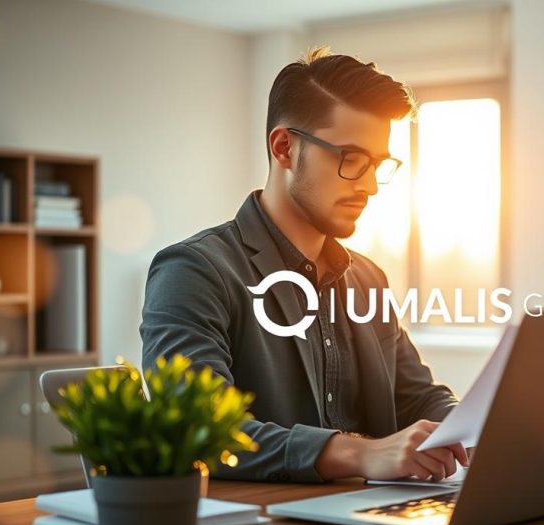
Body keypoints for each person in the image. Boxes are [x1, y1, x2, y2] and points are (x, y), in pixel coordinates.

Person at [140, 47, 468, 483]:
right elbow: (195, 427)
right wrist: (359, 454)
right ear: (284, 148)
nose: (369, 186)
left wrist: (473, 427)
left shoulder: (368, 279)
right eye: (350, 159)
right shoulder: (193, 271)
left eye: (377, 164)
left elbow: (415, 396)